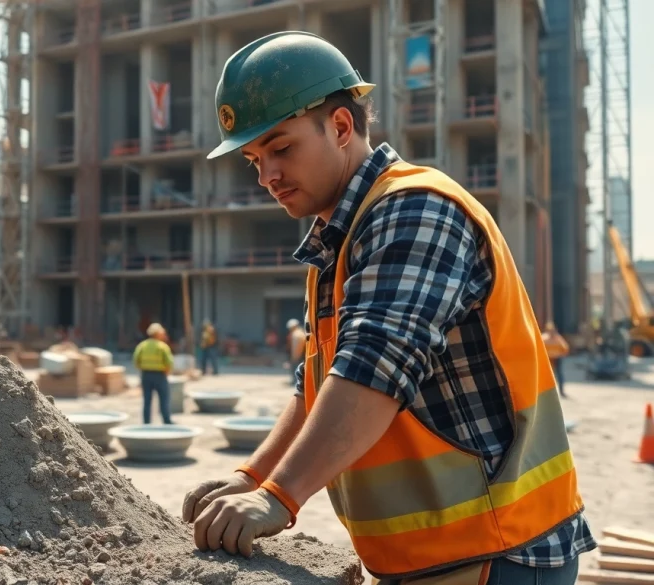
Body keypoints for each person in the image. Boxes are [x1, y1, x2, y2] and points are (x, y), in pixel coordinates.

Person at [181, 31, 594, 584]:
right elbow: (318, 385)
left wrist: (279, 496)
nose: (267, 176)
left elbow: (375, 367)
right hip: (438, 555)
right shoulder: (339, 240)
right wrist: (254, 477)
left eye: (281, 149)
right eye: (254, 160)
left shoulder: (414, 209)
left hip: (497, 553)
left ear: (340, 127)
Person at [133, 323, 174, 425]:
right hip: (160, 376)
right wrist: (166, 373)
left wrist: (143, 369)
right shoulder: (162, 347)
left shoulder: (142, 345)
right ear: (159, 334)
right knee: (164, 399)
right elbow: (169, 363)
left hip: (146, 375)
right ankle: (167, 421)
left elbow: (136, 361)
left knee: (147, 400)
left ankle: (146, 423)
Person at [543, 321, 571, 398]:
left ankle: (561, 391)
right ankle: (547, 393)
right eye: (550, 330)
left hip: (557, 359)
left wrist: (561, 354)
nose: (552, 332)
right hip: (548, 360)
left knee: (559, 375)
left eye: (553, 330)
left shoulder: (558, 338)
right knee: (547, 377)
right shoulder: (544, 338)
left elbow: (565, 348)